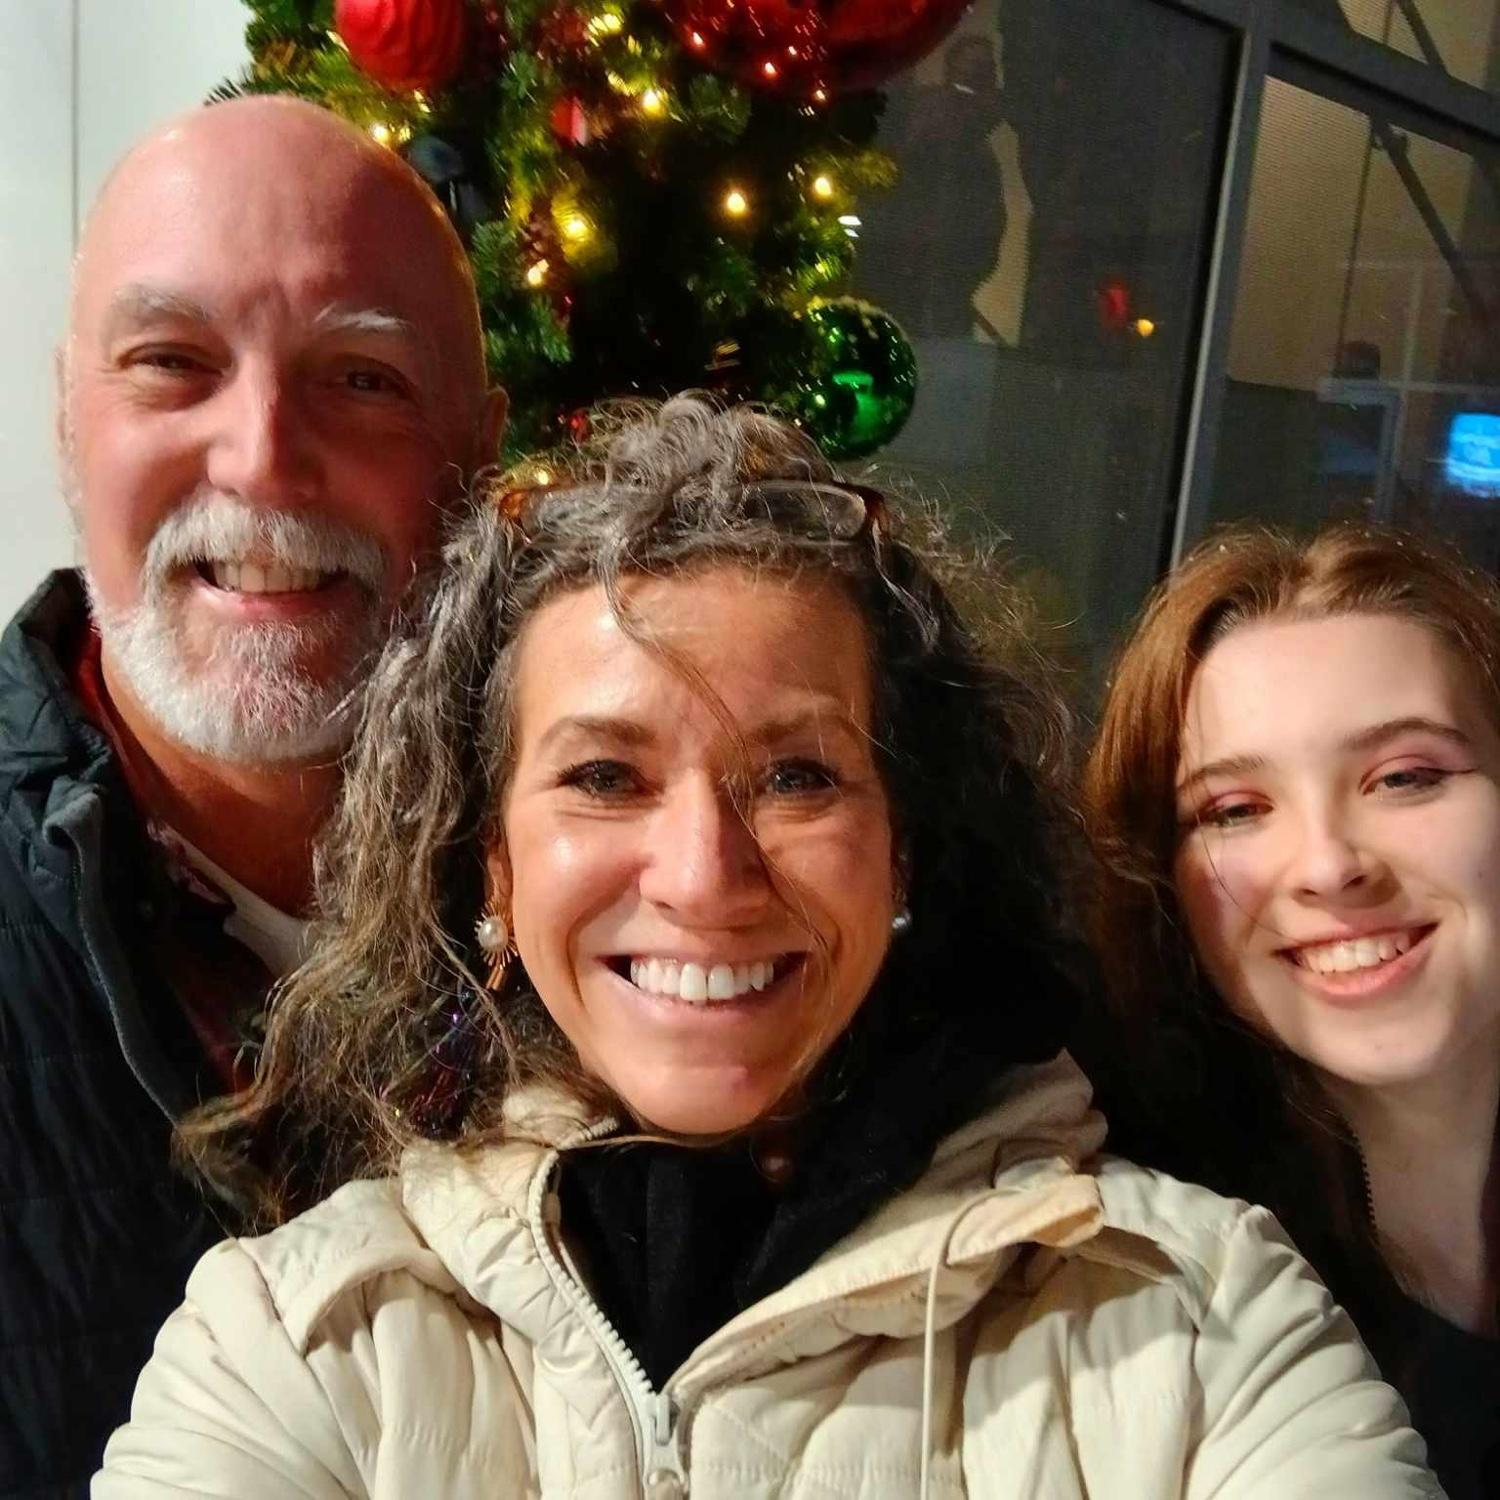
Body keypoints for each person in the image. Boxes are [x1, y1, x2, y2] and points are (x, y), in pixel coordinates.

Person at [98, 401, 1436, 1496]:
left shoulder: (1209, 1320)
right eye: (606, 779)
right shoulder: (293, 1341)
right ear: (491, 867)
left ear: (903, 847)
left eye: (796, 777)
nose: (704, 877)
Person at [3, 95, 502, 1491]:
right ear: (66, 420)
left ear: (483, 455)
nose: (265, 458)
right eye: (170, 363)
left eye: (363, 379)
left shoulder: (626, 901)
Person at [1083, 523, 1500, 1500]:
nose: (1329, 866)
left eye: (1405, 777)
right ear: (1159, 881)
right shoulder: (1127, 1292)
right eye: (1233, 809)